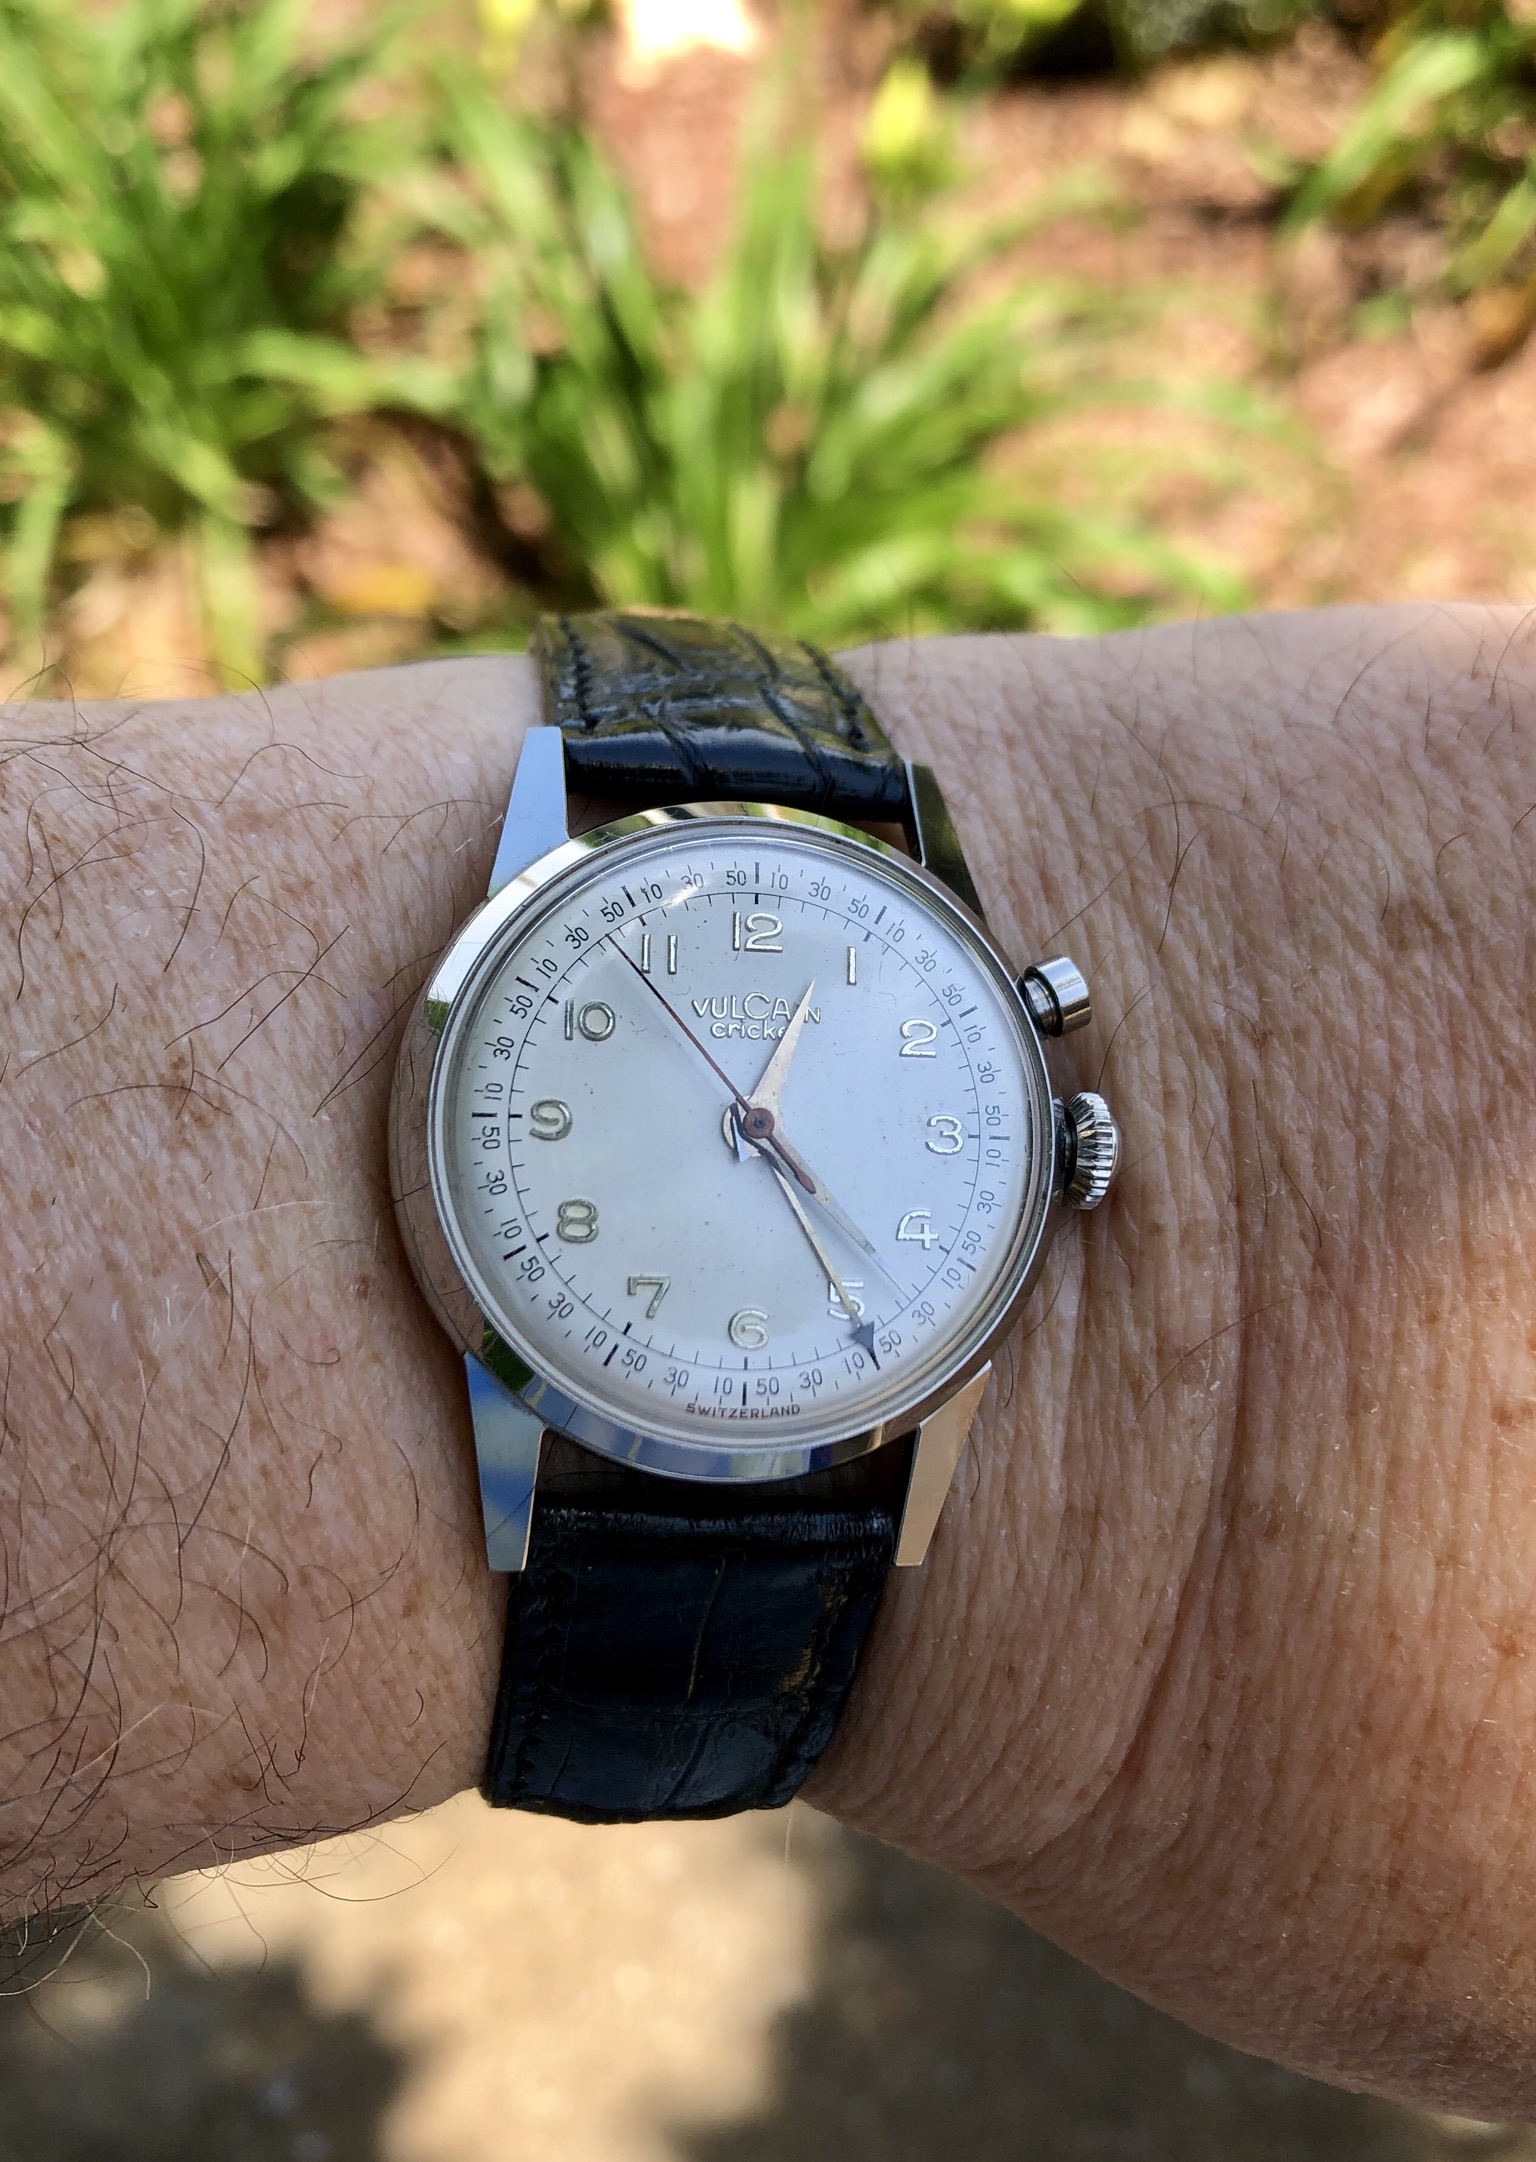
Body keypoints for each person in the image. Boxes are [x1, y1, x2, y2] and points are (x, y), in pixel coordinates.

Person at [2, 602, 1532, 2116]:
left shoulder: (953, 1187)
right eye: (756, 1109)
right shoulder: (604, 901)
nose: (757, 1117)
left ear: (1070, 1145)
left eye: (766, 1108)